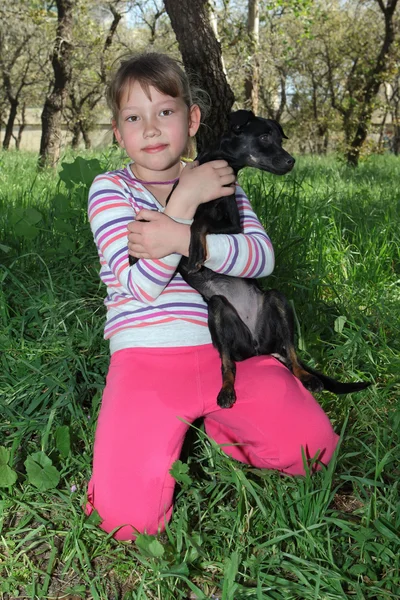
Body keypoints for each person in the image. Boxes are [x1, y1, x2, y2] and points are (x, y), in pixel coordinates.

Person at [86, 52, 339, 541]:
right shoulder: (110, 189)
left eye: (166, 111)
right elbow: (139, 285)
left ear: (193, 118)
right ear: (118, 132)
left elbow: (260, 257)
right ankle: (172, 430)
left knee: (316, 453)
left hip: (237, 350)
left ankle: (224, 424)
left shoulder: (219, 178)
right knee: (125, 522)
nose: (152, 128)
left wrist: (178, 238)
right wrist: (183, 200)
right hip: (148, 359)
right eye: (134, 118)